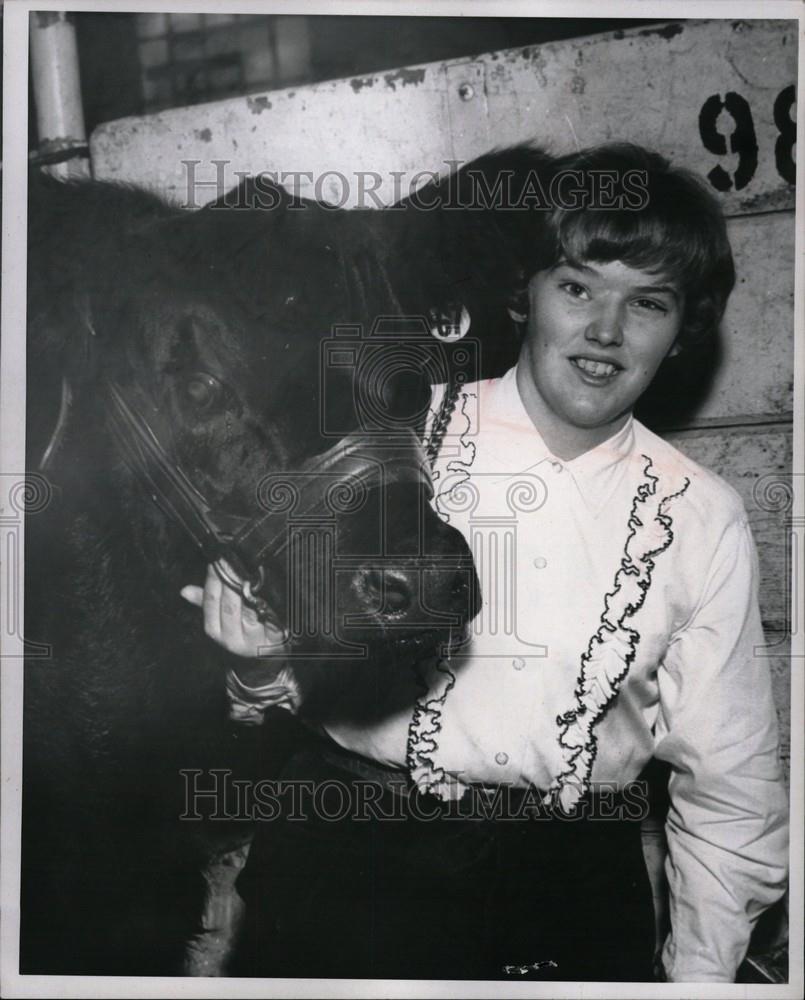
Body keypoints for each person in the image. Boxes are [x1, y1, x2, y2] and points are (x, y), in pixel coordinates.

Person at [181, 143, 788, 983]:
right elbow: (266, 693)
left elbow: (732, 793)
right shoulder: (392, 435)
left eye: (646, 303)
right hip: (350, 875)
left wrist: (697, 978)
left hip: (575, 901)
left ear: (684, 326)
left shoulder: (702, 516)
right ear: (523, 294)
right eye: (576, 288)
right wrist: (255, 665)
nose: (604, 332)